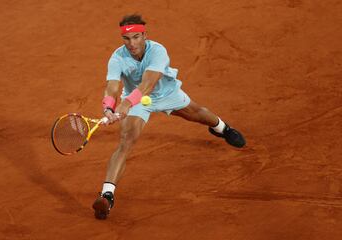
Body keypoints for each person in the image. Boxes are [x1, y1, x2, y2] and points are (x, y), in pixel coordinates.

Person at [92, 14, 246, 219]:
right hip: (137, 103)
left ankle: (221, 128)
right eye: (127, 39)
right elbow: (112, 87)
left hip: (166, 94)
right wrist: (108, 107)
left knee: (198, 114)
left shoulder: (158, 51)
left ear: (145, 35)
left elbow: (148, 83)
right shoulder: (117, 57)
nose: (132, 44)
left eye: (136, 37)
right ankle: (107, 195)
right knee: (126, 141)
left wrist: (126, 104)